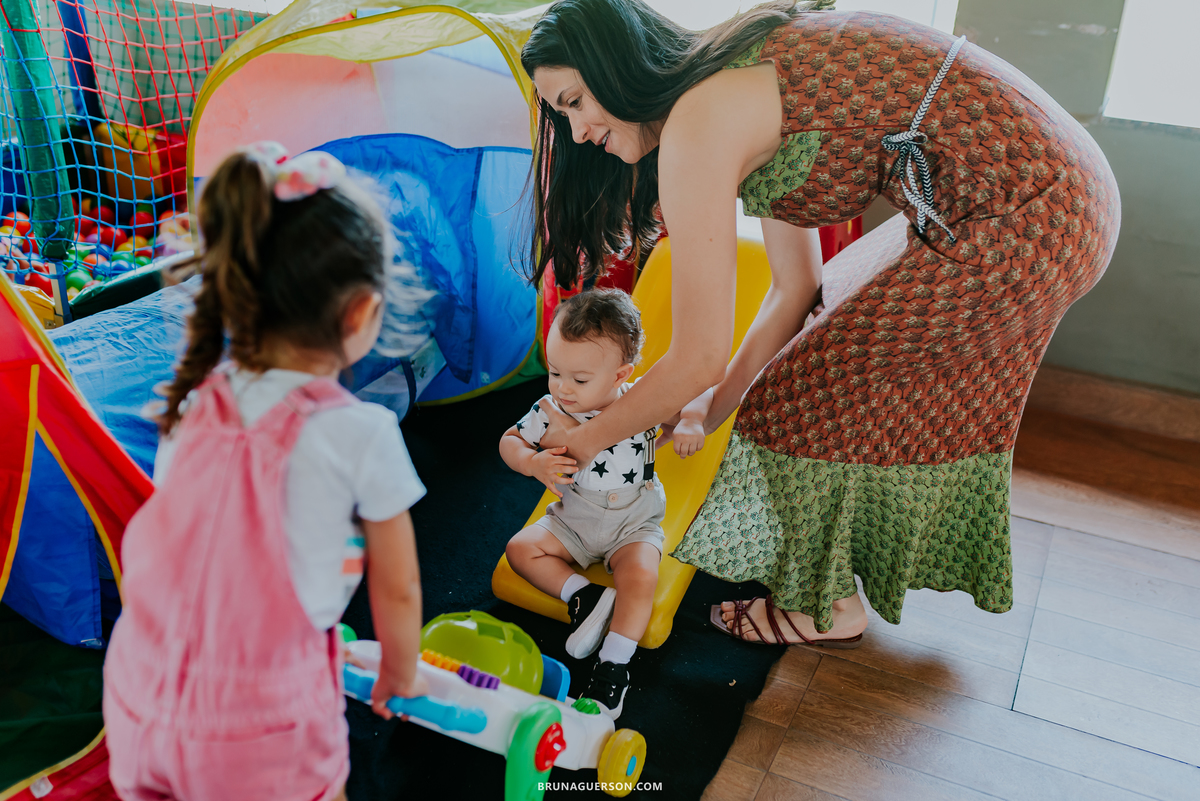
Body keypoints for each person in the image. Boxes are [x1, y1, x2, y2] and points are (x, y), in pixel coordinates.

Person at [519, 0, 1119, 645]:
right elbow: (797, 286)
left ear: (614, 66)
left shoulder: (698, 123)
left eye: (575, 101)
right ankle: (829, 573)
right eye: (561, 115)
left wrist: (581, 444)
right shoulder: (730, 77)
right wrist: (706, 411)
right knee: (817, 338)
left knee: (794, 398)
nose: (576, 133)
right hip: (1059, 191)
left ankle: (826, 608)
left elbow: (698, 356)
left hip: (1028, 214)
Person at [103, 144, 429, 801]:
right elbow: (397, 589)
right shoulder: (361, 431)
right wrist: (401, 669)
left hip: (139, 692)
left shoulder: (195, 401)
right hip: (259, 723)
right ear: (362, 313)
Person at [501, 289, 706, 717]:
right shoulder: (550, 409)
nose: (563, 388)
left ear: (620, 375)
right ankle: (584, 597)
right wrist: (532, 461)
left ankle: (613, 667)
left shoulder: (642, 401)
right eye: (554, 372)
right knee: (520, 549)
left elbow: (697, 396)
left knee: (641, 578)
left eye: (578, 379)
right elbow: (509, 440)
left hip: (633, 524)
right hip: (571, 521)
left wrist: (689, 422)